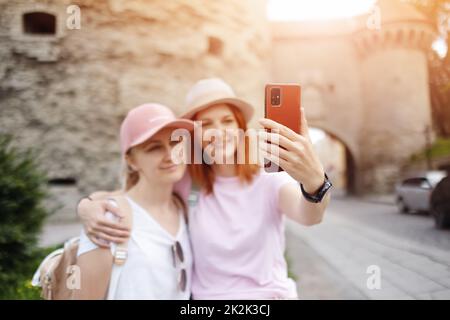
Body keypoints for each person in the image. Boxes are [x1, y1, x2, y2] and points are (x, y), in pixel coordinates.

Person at [77, 78, 332, 299]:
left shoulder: (268, 180)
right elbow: (134, 193)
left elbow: (310, 215)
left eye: (227, 121)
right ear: (193, 134)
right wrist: (88, 205)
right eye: (206, 124)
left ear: (240, 128)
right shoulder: (186, 180)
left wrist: (314, 182)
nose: (219, 132)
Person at [74, 103, 194, 299]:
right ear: (132, 161)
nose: (170, 154)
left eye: (175, 142)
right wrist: (86, 205)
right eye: (154, 148)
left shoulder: (185, 209)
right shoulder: (109, 218)